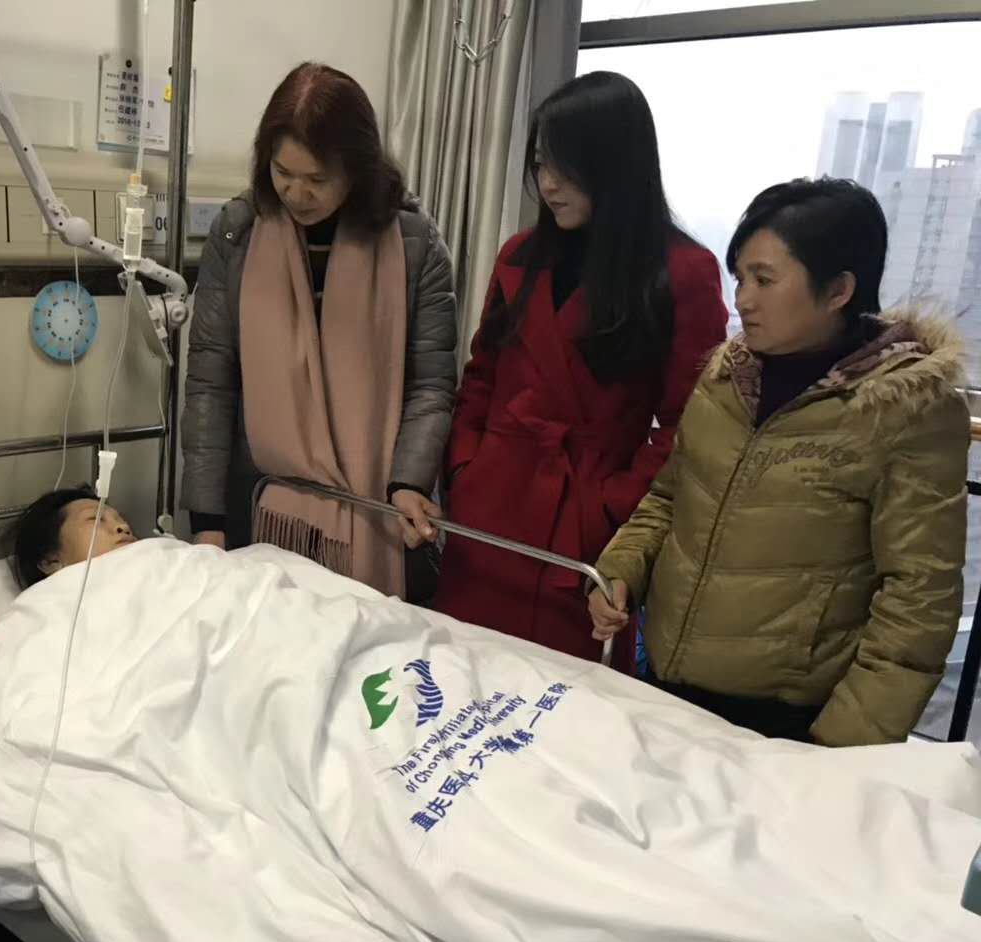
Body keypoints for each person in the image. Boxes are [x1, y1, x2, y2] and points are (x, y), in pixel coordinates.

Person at [589, 178, 968, 746]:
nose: (743, 299)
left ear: (838, 290)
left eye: (764, 280)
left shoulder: (907, 409)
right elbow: (669, 499)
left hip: (788, 721)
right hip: (666, 681)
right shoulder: (727, 377)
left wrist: (841, 744)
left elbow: (919, 599)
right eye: (740, 278)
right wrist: (618, 571)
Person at [433, 72, 727, 666]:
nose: (548, 183)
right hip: (491, 507)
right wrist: (465, 466)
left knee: (559, 701)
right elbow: (482, 375)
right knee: (458, 681)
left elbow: (689, 428)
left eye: (566, 166)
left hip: (584, 531)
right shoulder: (521, 254)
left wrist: (611, 506)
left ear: (614, 163)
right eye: (541, 163)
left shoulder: (681, 272)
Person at [181, 62, 457, 599]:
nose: (296, 193)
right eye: (282, 172)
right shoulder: (238, 234)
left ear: (358, 169)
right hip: (261, 500)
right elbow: (211, 380)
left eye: (317, 179)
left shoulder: (414, 245)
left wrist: (408, 482)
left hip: (378, 505)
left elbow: (431, 384)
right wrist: (207, 519)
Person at [13, 487, 138, 586]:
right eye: (96, 519)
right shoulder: (45, 607)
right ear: (50, 561)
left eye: (121, 519)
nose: (124, 526)